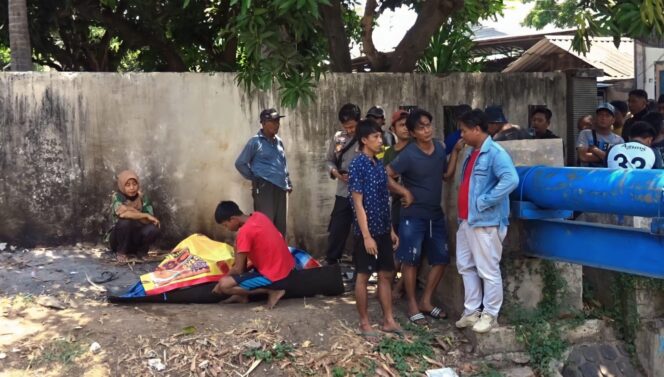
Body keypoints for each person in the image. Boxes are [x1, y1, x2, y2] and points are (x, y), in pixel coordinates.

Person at [386, 108, 464, 324]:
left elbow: (446, 176)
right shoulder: (408, 155)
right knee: (410, 261)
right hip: (413, 215)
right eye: (421, 127)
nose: (427, 130)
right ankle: (412, 305)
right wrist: (404, 192)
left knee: (441, 259)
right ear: (412, 132)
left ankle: (426, 301)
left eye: (428, 125)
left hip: (435, 215)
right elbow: (386, 175)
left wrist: (455, 152)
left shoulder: (439, 148)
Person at [454, 109, 519, 333]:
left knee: (488, 269)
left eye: (463, 130)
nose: (461, 135)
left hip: (485, 221)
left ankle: (490, 314)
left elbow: (511, 179)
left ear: (476, 129)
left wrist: (485, 201)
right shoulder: (473, 152)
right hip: (467, 221)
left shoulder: (495, 153)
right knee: (465, 266)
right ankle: (471, 311)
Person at [348, 119, 401, 338]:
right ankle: (365, 323)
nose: (380, 141)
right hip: (366, 232)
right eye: (376, 137)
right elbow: (357, 203)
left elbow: (383, 198)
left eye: (380, 136)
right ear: (364, 140)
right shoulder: (357, 164)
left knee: (386, 274)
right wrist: (367, 236)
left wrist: (389, 230)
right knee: (363, 276)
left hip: (382, 228)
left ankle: (389, 320)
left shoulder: (377, 163)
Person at [212, 201, 295, 309]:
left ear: (233, 219)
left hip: (276, 276)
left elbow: (239, 269)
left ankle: (273, 291)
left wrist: (219, 283)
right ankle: (241, 296)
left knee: (225, 285)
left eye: (226, 225)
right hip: (287, 267)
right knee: (240, 255)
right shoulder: (259, 216)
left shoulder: (244, 233)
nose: (227, 229)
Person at [235, 108, 292, 236]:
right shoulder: (255, 142)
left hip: (281, 188)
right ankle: (266, 255)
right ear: (263, 123)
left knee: (280, 227)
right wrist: (256, 178)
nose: (276, 124)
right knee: (266, 225)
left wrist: (288, 181)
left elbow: (282, 162)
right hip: (264, 188)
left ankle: (279, 255)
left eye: (277, 121)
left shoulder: (279, 141)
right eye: (272, 121)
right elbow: (240, 163)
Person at [324, 103, 362, 265]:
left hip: (363, 194)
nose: (350, 130)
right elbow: (329, 161)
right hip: (343, 193)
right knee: (337, 230)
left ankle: (361, 263)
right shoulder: (338, 138)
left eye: (352, 126)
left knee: (361, 230)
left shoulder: (369, 137)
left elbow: (378, 161)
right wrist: (336, 173)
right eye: (346, 127)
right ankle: (332, 262)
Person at [382, 110, 410, 299]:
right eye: (401, 125)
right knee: (396, 246)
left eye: (408, 124)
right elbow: (385, 178)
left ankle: (398, 289)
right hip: (397, 204)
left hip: (416, 204)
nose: (406, 128)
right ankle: (388, 286)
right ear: (393, 129)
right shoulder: (390, 153)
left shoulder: (418, 147)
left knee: (410, 249)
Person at [108, 170, 161, 263]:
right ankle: (121, 253)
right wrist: (144, 215)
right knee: (125, 222)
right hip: (118, 240)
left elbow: (148, 221)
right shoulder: (117, 196)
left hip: (135, 238)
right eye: (127, 185)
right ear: (121, 186)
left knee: (153, 228)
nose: (132, 188)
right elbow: (123, 214)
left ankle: (141, 253)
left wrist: (130, 210)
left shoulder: (143, 198)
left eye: (134, 184)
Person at [576, 103, 624, 167]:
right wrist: (609, 158)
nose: (603, 118)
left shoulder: (619, 140)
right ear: (596, 118)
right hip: (588, 175)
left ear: (613, 120)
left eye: (607, 115)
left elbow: (619, 161)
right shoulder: (585, 134)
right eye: (600, 115)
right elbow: (583, 157)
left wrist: (596, 150)